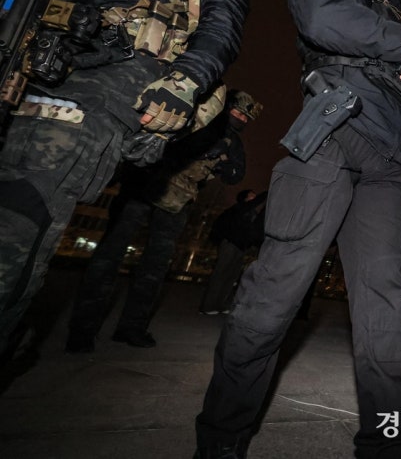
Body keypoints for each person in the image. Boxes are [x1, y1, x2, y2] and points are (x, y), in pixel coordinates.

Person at [194, 0, 401, 459]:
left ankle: (389, 444)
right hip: (330, 137)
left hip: (384, 168)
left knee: (383, 305)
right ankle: (221, 440)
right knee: (276, 291)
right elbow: (322, 19)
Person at [0, 0, 248, 358]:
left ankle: (112, 330)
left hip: (111, 81)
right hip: (27, 44)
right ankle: (82, 332)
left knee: (22, 212)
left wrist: (185, 81)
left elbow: (222, 23)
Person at [64, 88, 260, 351]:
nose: (241, 119)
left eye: (246, 118)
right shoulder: (192, 113)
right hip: (143, 184)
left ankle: (132, 327)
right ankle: (82, 330)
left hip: (177, 200)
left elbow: (236, 174)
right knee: (110, 254)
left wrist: (220, 157)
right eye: (238, 113)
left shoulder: (231, 141)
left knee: (155, 266)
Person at [198, 187, 268, 315]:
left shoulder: (252, 214)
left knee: (231, 276)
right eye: (251, 195)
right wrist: (269, 192)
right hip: (230, 244)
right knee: (220, 274)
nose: (254, 197)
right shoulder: (239, 208)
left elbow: (256, 229)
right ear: (244, 198)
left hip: (241, 247)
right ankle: (207, 306)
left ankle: (220, 304)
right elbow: (256, 202)